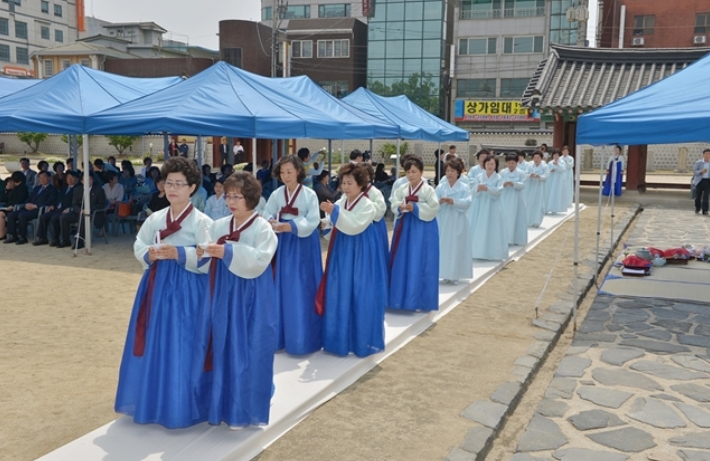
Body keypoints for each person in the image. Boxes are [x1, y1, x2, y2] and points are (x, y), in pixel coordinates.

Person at [115, 157, 213, 429]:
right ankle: (154, 399)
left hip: (188, 290)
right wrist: (150, 253)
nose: (172, 189)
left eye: (180, 184)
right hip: (156, 286)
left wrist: (179, 253)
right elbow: (139, 244)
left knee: (184, 341)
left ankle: (183, 404)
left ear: (192, 188)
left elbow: (208, 256)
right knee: (155, 339)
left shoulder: (203, 222)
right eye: (169, 183)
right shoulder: (156, 218)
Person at [195, 172, 278, 429]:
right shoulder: (219, 225)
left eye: (237, 197)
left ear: (251, 198)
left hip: (252, 292)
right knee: (222, 341)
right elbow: (205, 252)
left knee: (251, 345)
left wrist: (228, 250)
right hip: (223, 289)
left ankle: (246, 407)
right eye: (228, 196)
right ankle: (219, 402)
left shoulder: (262, 227)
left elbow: (261, 258)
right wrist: (203, 251)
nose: (231, 202)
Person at [317, 162, 387, 357]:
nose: (346, 187)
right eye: (344, 183)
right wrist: (326, 223)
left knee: (361, 290)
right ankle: (339, 340)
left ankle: (362, 341)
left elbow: (355, 224)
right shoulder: (341, 202)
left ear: (361, 184)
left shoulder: (367, 205)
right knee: (340, 289)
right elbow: (336, 224)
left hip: (362, 250)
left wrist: (335, 213)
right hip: (342, 249)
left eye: (350, 183)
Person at [263, 155, 323, 355]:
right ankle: (281, 337)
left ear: (299, 171)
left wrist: (289, 226)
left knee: (303, 287)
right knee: (281, 286)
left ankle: (304, 338)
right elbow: (266, 213)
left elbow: (313, 220)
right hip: (282, 244)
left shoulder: (309, 194)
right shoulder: (276, 194)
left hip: (303, 244)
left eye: (289, 171)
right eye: (282, 172)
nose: (286, 176)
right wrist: (272, 222)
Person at [389, 155, 440, 312]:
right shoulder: (402, 189)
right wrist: (399, 207)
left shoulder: (428, 189)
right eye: (408, 172)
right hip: (405, 227)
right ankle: (400, 300)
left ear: (421, 172)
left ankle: (420, 301)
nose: (410, 175)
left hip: (423, 229)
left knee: (420, 261)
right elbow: (393, 202)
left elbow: (434, 207)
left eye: (414, 171)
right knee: (403, 260)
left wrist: (416, 207)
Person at [435, 157, 472, 284]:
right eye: (447, 171)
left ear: (458, 172)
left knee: (457, 246)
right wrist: (440, 201)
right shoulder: (441, 187)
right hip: (444, 219)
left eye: (452, 171)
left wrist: (454, 202)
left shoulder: (464, 187)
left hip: (458, 220)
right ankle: (445, 273)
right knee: (444, 246)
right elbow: (433, 203)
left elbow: (468, 202)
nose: (449, 173)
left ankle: (455, 274)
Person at [4, 171, 58, 245]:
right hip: (29, 208)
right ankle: (13, 235)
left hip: (38, 209)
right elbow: (29, 198)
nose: (42, 179)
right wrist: (26, 204)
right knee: (11, 215)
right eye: (40, 178)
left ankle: (23, 237)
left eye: (44, 177)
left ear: (49, 178)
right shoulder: (37, 188)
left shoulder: (52, 189)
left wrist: (36, 206)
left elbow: (50, 201)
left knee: (22, 215)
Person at [471, 154, 508, 261]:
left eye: (492, 164)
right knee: (480, 227)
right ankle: (478, 252)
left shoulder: (499, 178)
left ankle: (493, 253)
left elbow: (499, 192)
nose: (490, 166)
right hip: (481, 206)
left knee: (493, 228)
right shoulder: (479, 177)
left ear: (496, 165)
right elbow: (473, 191)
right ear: (484, 165)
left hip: (493, 206)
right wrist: (478, 188)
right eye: (488, 164)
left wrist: (487, 189)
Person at [34, 170, 82, 246]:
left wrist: (70, 208)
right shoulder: (64, 188)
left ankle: (58, 239)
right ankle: (42, 238)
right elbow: (57, 199)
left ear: (77, 179)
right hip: (58, 209)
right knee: (44, 216)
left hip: (68, 210)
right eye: (67, 178)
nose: (69, 179)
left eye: (71, 178)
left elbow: (78, 202)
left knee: (55, 218)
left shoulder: (79, 189)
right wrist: (53, 205)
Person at [499, 153, 528, 246]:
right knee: (505, 218)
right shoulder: (502, 172)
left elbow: (523, 184)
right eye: (509, 163)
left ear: (516, 163)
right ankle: (505, 239)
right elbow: (498, 183)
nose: (511, 165)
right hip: (505, 198)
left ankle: (516, 239)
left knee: (517, 218)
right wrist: (503, 184)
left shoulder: (521, 173)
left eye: (513, 163)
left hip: (517, 198)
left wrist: (514, 184)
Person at [74, 174, 108, 249]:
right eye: (85, 179)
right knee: (63, 217)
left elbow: (102, 204)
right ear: (81, 181)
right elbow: (74, 204)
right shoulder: (77, 190)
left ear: (92, 180)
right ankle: (64, 240)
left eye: (90, 179)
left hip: (94, 213)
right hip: (79, 212)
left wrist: (89, 209)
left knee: (83, 217)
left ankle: (80, 241)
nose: (88, 181)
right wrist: (80, 210)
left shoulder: (99, 190)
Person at [0, 172, 29, 240]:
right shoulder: (13, 188)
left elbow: (21, 199)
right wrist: (6, 190)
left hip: (16, 208)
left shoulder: (23, 188)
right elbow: (3, 198)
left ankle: (2, 234)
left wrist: (13, 205)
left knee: (0, 214)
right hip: (8, 206)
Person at [526, 151, 549, 228]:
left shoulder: (544, 166)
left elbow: (547, 175)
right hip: (531, 187)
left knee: (539, 204)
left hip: (540, 188)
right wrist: (530, 175)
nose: (536, 159)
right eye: (535, 158)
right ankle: (529, 221)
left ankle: (537, 221)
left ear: (541, 158)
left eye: (538, 158)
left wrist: (540, 177)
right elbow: (525, 174)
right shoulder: (530, 165)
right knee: (530, 203)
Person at [546, 148, 568, 213]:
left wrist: (558, 164)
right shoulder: (550, 163)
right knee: (550, 193)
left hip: (559, 180)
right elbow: (547, 171)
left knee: (557, 193)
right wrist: (550, 171)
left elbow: (563, 169)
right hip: (551, 180)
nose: (555, 156)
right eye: (554, 155)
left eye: (557, 155)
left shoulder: (562, 162)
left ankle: (556, 208)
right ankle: (549, 208)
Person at [693, 148, 710, 215]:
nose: (707, 155)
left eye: (708, 154)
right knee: (698, 196)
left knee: (706, 196)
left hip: (708, 181)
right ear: (703, 155)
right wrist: (700, 172)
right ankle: (697, 208)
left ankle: (705, 210)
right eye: (706, 154)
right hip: (700, 180)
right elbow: (695, 171)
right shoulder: (699, 162)